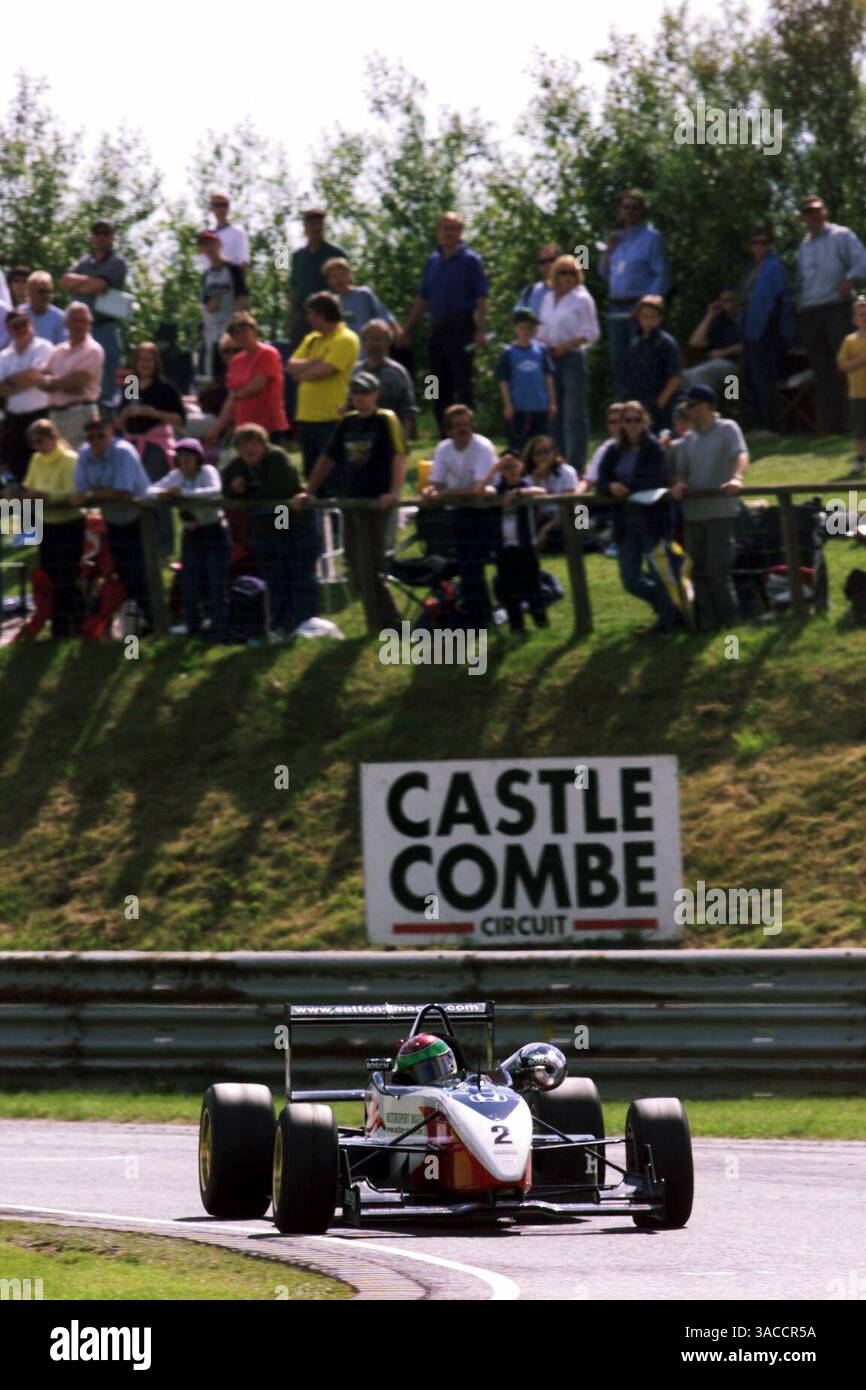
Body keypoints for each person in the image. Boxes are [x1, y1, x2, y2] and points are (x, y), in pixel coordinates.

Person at [295, 371, 405, 629]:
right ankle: (383, 622)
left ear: (375, 395)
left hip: (376, 501)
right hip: (351, 500)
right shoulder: (346, 423)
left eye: (365, 392)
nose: (359, 397)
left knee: (371, 566)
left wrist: (394, 491)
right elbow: (327, 458)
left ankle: (387, 625)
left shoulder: (385, 419)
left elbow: (400, 455)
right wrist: (308, 490)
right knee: (355, 566)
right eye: (355, 392)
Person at [221, 423, 316, 640]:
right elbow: (226, 490)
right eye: (243, 446)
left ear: (264, 445)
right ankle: (278, 625)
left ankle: (303, 623)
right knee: (274, 573)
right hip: (263, 523)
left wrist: (245, 494)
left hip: (287, 517)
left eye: (254, 444)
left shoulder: (277, 458)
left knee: (295, 570)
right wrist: (235, 490)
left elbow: (277, 492)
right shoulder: (236, 466)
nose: (249, 450)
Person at [596, 400, 680, 633]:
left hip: (651, 518)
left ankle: (669, 621)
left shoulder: (655, 448)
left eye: (636, 420)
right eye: (626, 420)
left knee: (658, 572)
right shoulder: (613, 450)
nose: (631, 425)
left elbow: (655, 479)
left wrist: (625, 487)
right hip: (624, 520)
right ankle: (668, 607)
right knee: (630, 579)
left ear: (645, 421)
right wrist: (610, 486)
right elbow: (600, 481)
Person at [669, 384, 749, 631]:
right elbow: (682, 470)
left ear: (705, 405)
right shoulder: (688, 438)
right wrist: (680, 483)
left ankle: (730, 623)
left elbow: (741, 454)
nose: (687, 411)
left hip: (720, 511)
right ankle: (709, 623)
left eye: (690, 405)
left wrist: (737, 478)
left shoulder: (728, 428)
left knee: (717, 570)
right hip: (693, 514)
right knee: (697, 571)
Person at [403, 212, 490, 435]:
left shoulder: (470, 260)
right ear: (438, 232)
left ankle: (469, 433)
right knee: (435, 382)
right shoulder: (432, 261)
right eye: (445, 228)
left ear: (460, 232)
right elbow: (423, 298)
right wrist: (407, 328)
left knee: (462, 382)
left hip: (461, 326)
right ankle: (443, 433)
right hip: (437, 327)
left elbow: (481, 297)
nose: (449, 233)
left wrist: (481, 329)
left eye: (453, 229)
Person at [795, 194, 866, 435]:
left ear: (824, 211)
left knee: (848, 367)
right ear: (803, 217)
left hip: (836, 307)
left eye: (817, 210)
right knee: (822, 371)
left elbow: (862, 261)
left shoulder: (841, 235)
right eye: (808, 212)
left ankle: (857, 424)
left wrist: (849, 279)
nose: (813, 216)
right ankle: (832, 427)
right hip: (810, 311)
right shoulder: (804, 245)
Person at [147, 437, 230, 641]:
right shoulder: (176, 475)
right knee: (189, 584)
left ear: (198, 458)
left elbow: (214, 491)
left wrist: (183, 493)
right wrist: (165, 494)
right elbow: (150, 490)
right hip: (191, 535)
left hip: (214, 531)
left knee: (216, 584)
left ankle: (219, 631)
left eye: (189, 456)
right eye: (181, 457)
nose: (185, 461)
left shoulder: (208, 472)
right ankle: (194, 629)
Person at [71, 417, 152, 626]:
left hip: (140, 517)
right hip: (113, 519)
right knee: (124, 572)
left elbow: (124, 492)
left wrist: (91, 494)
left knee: (141, 571)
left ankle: (153, 621)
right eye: (91, 437)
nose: (95, 440)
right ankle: (135, 623)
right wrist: (92, 494)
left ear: (111, 432)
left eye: (100, 435)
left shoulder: (123, 452)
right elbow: (81, 491)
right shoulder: (84, 453)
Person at [422, 403, 497, 626]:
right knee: (466, 566)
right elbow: (435, 482)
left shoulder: (483, 447)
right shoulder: (443, 449)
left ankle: (482, 618)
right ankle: (475, 617)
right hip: (461, 512)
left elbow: (477, 488)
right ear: (448, 430)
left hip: (487, 510)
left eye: (467, 424)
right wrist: (430, 491)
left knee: (474, 565)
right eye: (458, 426)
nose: (464, 429)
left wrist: (444, 493)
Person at [599, 189, 671, 398]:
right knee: (619, 363)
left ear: (642, 211)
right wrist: (608, 250)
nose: (629, 211)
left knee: (643, 362)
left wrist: (648, 307)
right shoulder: (616, 239)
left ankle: (645, 413)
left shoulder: (652, 238)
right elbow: (604, 273)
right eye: (625, 207)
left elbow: (662, 274)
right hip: (616, 308)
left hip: (639, 308)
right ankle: (623, 415)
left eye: (634, 207)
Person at [118, 341, 186, 556]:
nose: (145, 364)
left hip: (156, 444)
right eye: (141, 359)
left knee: (157, 494)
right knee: (136, 494)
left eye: (149, 360)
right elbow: (120, 421)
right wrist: (125, 415)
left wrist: (155, 413)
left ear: (156, 363)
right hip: (132, 445)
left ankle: (165, 547)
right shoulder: (131, 384)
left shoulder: (165, 388)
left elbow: (180, 420)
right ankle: (142, 543)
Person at [18, 418, 84, 637]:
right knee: (50, 576)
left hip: (69, 523)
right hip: (45, 524)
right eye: (33, 443)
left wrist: (46, 496)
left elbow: (73, 493)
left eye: (41, 440)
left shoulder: (70, 459)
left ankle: (74, 623)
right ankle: (61, 625)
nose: (38, 446)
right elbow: (30, 487)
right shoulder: (36, 460)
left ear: (53, 437)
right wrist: (20, 495)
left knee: (68, 576)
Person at [286, 292, 359, 481]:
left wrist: (304, 371)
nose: (308, 318)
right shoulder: (312, 338)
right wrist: (316, 361)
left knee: (335, 475)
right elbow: (290, 366)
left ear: (322, 314)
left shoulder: (346, 338)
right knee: (311, 476)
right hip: (307, 417)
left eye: (311, 314)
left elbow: (325, 371)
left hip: (331, 417)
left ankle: (338, 511)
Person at [536, 254, 599, 474]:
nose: (568, 277)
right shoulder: (547, 298)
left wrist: (568, 345)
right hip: (550, 358)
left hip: (572, 357)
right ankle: (557, 464)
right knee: (555, 413)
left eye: (573, 272)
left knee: (574, 414)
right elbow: (541, 329)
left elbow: (592, 333)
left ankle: (576, 465)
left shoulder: (582, 298)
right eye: (563, 272)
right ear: (554, 274)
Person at [60, 220, 128, 415]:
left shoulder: (117, 262)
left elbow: (98, 286)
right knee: (77, 372)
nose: (100, 236)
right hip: (81, 331)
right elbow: (65, 281)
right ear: (92, 237)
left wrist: (82, 284)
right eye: (97, 233)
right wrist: (91, 283)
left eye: (105, 233)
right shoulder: (84, 262)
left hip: (105, 327)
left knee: (107, 380)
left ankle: (107, 420)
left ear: (113, 237)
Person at [740, 224, 794, 437]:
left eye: (764, 242)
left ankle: (769, 426)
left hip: (764, 334)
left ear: (770, 244)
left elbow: (779, 302)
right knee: (740, 380)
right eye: (756, 243)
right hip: (737, 348)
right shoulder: (750, 270)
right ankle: (738, 419)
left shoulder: (774, 267)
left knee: (763, 380)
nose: (760, 247)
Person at [485, 450, 547, 633]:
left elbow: (541, 491)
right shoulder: (497, 488)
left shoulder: (526, 484)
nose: (511, 470)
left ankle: (541, 622)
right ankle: (517, 626)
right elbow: (482, 490)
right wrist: (495, 468)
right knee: (509, 590)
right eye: (506, 467)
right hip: (504, 548)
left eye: (514, 465)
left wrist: (518, 492)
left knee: (532, 586)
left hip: (526, 545)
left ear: (521, 466)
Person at [205, 313, 289, 447]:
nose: (242, 335)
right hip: (244, 427)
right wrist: (216, 430)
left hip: (268, 425)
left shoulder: (268, 353)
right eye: (237, 333)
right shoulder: (236, 361)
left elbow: (257, 386)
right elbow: (230, 401)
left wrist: (236, 395)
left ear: (254, 331)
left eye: (245, 330)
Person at [40, 303, 104, 447]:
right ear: (66, 324)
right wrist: (64, 383)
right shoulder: (56, 351)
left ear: (89, 324)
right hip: (55, 416)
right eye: (74, 320)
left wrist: (51, 382)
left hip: (81, 414)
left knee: (78, 463)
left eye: (83, 321)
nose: (79, 325)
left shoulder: (93, 350)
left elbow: (77, 383)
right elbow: (39, 381)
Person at [0, 310, 53, 480]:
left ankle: (44, 507)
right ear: (8, 329)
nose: (21, 328)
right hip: (15, 420)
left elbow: (33, 375)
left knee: (44, 466)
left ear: (30, 323)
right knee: (18, 470)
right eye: (15, 325)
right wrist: (28, 379)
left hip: (41, 417)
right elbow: (1, 389)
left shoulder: (43, 347)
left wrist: (12, 382)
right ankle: (23, 508)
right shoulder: (4, 356)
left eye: (24, 323)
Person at [495, 308, 556, 453]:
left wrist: (552, 402)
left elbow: (548, 377)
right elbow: (503, 380)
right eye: (522, 327)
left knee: (541, 446)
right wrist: (507, 404)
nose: (526, 331)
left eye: (529, 327)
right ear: (515, 328)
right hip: (518, 408)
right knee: (518, 447)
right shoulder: (509, 353)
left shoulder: (541, 351)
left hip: (540, 406)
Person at [288, 209, 348, 351]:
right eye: (312, 223)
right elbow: (294, 287)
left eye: (319, 223)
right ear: (305, 226)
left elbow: (344, 285)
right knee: (300, 353)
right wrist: (291, 316)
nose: (316, 227)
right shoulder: (297, 256)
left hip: (328, 316)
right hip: (303, 316)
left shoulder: (335, 253)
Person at [623, 295, 682, 434]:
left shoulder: (666, 342)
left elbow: (676, 377)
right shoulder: (635, 342)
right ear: (638, 317)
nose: (649, 321)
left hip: (659, 404)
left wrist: (659, 403)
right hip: (637, 400)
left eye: (653, 317)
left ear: (660, 318)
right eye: (645, 317)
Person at [197, 230, 249, 379]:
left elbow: (242, 298)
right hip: (212, 335)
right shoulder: (205, 275)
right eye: (205, 246)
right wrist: (209, 304)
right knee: (214, 376)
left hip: (232, 336)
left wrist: (237, 327)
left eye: (212, 244)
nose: (210, 249)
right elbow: (204, 301)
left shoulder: (234, 270)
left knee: (236, 375)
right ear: (201, 250)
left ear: (219, 245)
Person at [357, 320, 417, 436]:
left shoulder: (397, 372)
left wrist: (401, 443)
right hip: (360, 439)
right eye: (371, 339)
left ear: (388, 342)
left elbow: (408, 411)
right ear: (364, 342)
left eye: (379, 339)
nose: (375, 344)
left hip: (389, 436)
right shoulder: (356, 372)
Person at [682, 288, 742, 400]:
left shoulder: (744, 321)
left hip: (734, 366)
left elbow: (747, 346)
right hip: (711, 364)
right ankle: (684, 414)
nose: (724, 304)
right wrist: (709, 316)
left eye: (728, 300)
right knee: (680, 377)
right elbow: (695, 343)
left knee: (700, 374)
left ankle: (703, 413)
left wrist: (723, 352)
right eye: (722, 301)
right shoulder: (720, 322)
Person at [525, 435, 579, 552]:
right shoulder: (529, 479)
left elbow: (569, 505)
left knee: (578, 519)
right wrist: (536, 480)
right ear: (531, 456)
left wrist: (545, 530)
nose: (542, 456)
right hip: (544, 518)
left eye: (546, 451)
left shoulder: (566, 472)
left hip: (570, 516)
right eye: (537, 453)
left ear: (554, 453)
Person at [322, 258, 398, 339]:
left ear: (349, 275)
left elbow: (384, 316)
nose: (339, 279)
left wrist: (397, 333)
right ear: (329, 281)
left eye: (342, 274)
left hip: (369, 347)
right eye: (334, 276)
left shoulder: (363, 294)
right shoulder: (332, 303)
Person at [836, 296, 866, 476]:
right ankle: (859, 460)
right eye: (860, 314)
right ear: (854, 319)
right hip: (858, 393)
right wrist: (860, 360)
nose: (864, 317)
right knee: (860, 430)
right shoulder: (850, 340)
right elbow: (842, 366)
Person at [513, 244, 561, 318]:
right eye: (542, 261)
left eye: (551, 260)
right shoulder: (529, 292)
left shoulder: (572, 291)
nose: (547, 264)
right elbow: (518, 320)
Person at [208, 192, 250, 272]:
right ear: (211, 208)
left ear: (228, 208)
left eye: (224, 205)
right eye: (217, 205)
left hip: (232, 281)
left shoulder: (238, 232)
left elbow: (243, 263)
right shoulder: (209, 235)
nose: (221, 208)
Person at [24, 272, 67, 345]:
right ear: (30, 292)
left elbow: (63, 345)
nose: (46, 295)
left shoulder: (60, 317)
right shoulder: (20, 314)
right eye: (41, 291)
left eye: (48, 291)